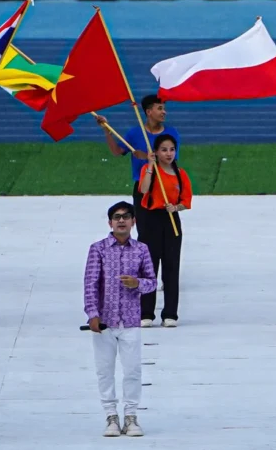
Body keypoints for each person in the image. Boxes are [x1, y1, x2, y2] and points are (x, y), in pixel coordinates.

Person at [84, 201, 157, 437]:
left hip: (131, 320)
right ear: (110, 222)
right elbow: (90, 283)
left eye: (126, 216)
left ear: (134, 221)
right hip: (104, 322)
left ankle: (131, 416)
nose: (121, 221)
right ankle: (111, 417)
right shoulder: (99, 249)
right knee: (105, 370)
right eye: (117, 217)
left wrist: (138, 283)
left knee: (133, 370)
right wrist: (92, 314)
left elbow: (152, 282)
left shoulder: (142, 249)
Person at [95, 95, 180, 222]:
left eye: (164, 109)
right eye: (160, 108)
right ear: (149, 112)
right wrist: (107, 131)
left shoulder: (171, 133)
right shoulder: (134, 133)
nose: (164, 112)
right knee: (145, 229)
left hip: (164, 186)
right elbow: (117, 151)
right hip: (142, 188)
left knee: (168, 227)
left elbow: (171, 162)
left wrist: (146, 157)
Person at [137, 134, 190, 328]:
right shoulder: (148, 169)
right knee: (149, 267)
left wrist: (175, 208)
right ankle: (146, 313)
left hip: (171, 221)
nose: (169, 153)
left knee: (171, 268)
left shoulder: (180, 174)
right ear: (156, 152)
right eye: (164, 150)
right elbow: (143, 190)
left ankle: (170, 314)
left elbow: (186, 201)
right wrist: (150, 167)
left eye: (172, 150)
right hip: (152, 221)